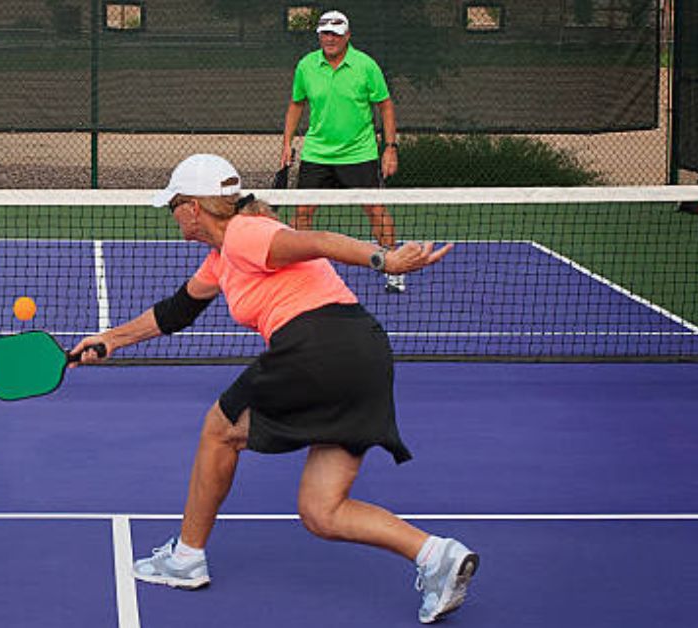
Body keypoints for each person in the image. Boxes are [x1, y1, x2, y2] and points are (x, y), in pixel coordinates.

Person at [70, 154, 478, 624]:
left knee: (218, 429)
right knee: (322, 511)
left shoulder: (248, 232)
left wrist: (385, 259)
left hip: (317, 346)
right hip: (362, 355)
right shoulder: (223, 256)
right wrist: (110, 339)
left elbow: (319, 240)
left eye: (174, 205)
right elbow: (177, 311)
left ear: (194, 208)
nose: (173, 215)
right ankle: (437, 556)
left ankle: (185, 556)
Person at [281, 10, 406, 293]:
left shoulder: (366, 66)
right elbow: (296, 103)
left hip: (359, 154)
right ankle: (300, 269)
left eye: (336, 33)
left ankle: (394, 269)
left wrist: (390, 148)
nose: (330, 38)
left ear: (347, 35)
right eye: (325, 33)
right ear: (319, 36)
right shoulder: (306, 66)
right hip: (316, 153)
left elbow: (385, 105)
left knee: (375, 210)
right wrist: (287, 143)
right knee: (302, 211)